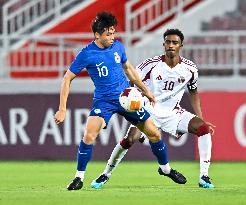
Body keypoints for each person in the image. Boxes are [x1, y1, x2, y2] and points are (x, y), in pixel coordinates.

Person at [54, 12, 187, 191]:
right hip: (104, 101)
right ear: (97, 35)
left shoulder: (118, 47)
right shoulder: (86, 54)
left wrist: (146, 90)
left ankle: (166, 169)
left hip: (127, 98)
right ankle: (78, 178)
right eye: (108, 34)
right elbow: (67, 79)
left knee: (154, 134)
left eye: (113, 32)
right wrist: (62, 109)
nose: (112, 37)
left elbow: (129, 69)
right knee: (89, 135)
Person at [91, 29, 216, 189]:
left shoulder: (190, 69)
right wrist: (132, 103)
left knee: (203, 128)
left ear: (181, 45)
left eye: (175, 42)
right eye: (168, 42)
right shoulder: (150, 65)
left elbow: (193, 92)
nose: (171, 45)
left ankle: (204, 176)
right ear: (163, 44)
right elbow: (131, 83)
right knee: (129, 139)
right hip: (148, 111)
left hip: (173, 113)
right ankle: (105, 174)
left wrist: (201, 117)